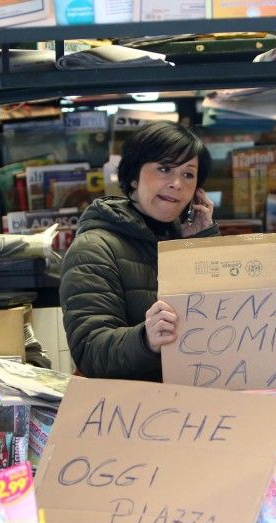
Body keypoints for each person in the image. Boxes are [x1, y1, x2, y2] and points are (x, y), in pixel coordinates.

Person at [59, 122, 217, 381]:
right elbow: (90, 352)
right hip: (132, 411)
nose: (177, 183)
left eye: (188, 174)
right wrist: (145, 339)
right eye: (164, 169)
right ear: (133, 176)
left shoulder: (189, 239)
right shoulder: (94, 249)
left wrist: (203, 243)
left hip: (198, 397)